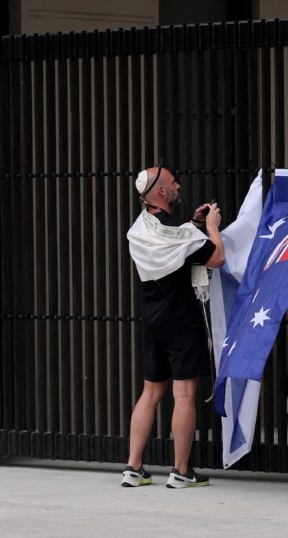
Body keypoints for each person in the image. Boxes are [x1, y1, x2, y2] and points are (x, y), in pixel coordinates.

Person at [121, 164, 224, 488]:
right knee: (184, 394)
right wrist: (211, 227)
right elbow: (216, 258)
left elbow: (176, 244)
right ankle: (181, 470)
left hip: (153, 322)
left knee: (150, 392)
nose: (178, 185)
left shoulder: (139, 229)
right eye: (173, 182)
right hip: (182, 322)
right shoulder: (181, 233)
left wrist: (194, 224)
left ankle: (133, 467)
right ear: (162, 191)